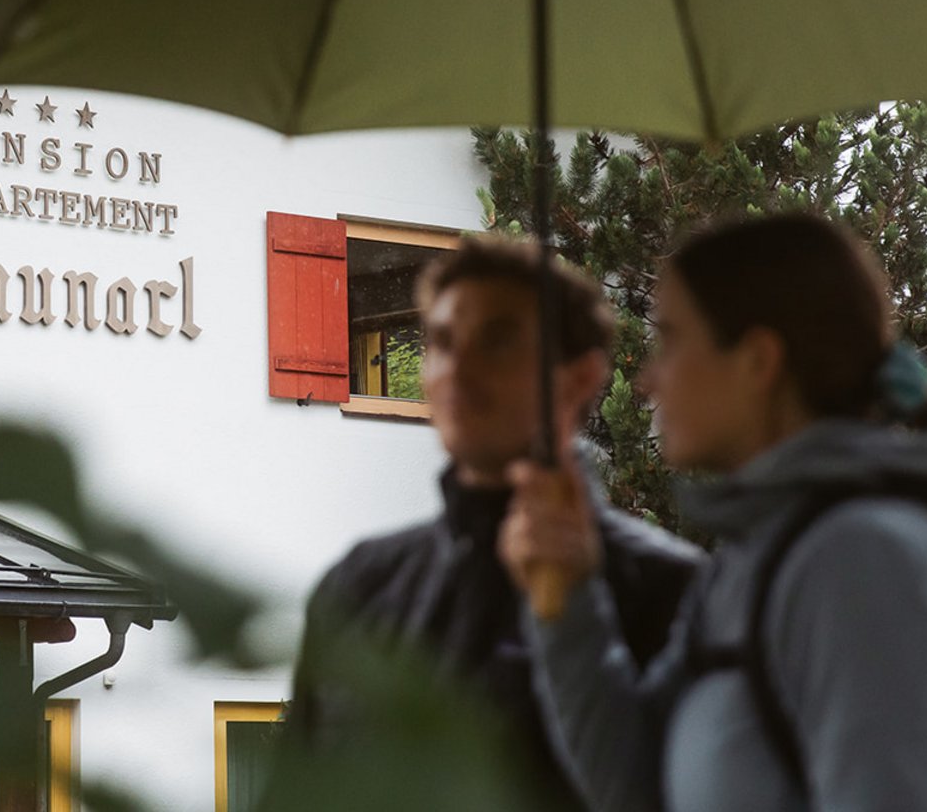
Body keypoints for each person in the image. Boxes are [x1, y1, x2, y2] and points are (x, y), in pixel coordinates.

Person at [500, 213, 927, 812]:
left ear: (758, 360)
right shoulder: (757, 555)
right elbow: (637, 785)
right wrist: (570, 596)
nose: (647, 380)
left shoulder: (864, 563)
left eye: (671, 339)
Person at [286, 237, 701, 809]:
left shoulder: (668, 592)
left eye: (499, 340)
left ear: (579, 379)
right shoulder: (359, 586)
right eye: (442, 342)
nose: (460, 367)